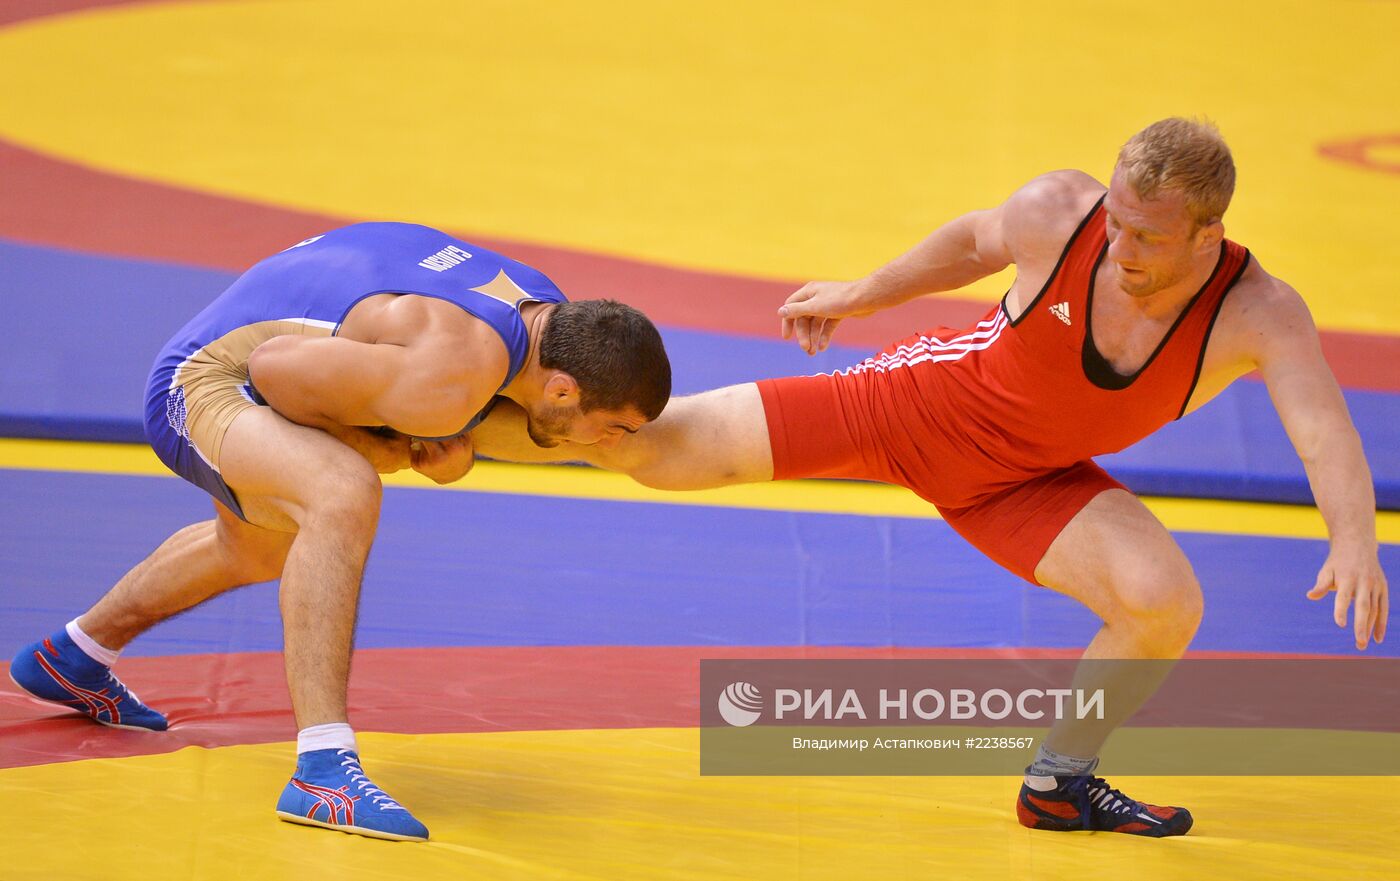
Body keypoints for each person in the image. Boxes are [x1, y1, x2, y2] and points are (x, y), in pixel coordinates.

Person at [472, 118, 1389, 837]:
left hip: (1027, 479)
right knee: (653, 448)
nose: (1119, 246)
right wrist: (858, 296)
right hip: (914, 408)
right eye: (1115, 219)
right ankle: (442, 429)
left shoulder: (1260, 313)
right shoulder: (1061, 214)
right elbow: (971, 244)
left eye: (1146, 236)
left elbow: (1322, 430)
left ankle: (1059, 784)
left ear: (1208, 234)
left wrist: (1354, 539)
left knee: (1163, 600)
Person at [9, 222, 671, 842]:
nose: (612, 444)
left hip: (267, 322)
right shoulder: (447, 378)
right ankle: (321, 769)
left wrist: (436, 438)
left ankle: (76, 654)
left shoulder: (541, 312)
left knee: (254, 548)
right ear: (559, 390)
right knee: (341, 490)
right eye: (612, 428)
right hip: (204, 379)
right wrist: (401, 446)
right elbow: (275, 372)